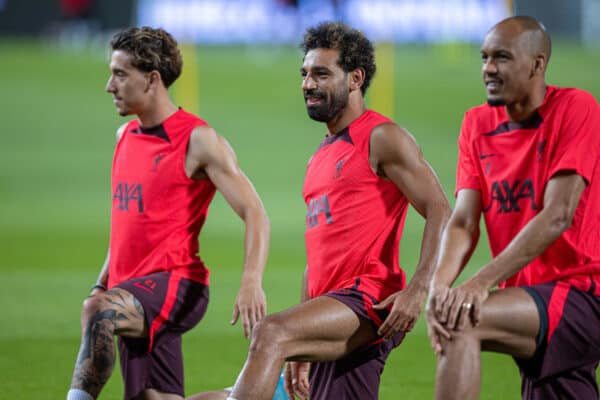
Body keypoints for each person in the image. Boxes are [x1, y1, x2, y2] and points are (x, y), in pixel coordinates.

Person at [225, 21, 450, 400]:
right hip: (332, 308)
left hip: (368, 300)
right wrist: (300, 345)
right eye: (304, 74)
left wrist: (418, 290)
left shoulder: (382, 137)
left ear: (355, 78)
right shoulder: (322, 154)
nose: (308, 84)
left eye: (321, 74)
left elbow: (441, 210)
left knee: (270, 332)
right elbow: (317, 256)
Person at [66, 27, 270, 400]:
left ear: (152, 80)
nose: (109, 86)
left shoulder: (198, 140)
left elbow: (254, 211)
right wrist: (102, 282)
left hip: (177, 283)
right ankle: (262, 395)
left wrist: (251, 280)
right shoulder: (124, 136)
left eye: (120, 74)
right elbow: (125, 228)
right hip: (131, 290)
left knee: (99, 312)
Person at [426, 16, 600, 400]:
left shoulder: (576, 108)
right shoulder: (476, 123)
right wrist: (437, 288)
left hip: (582, 293)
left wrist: (479, 282)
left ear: (538, 64)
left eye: (502, 57)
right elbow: (463, 222)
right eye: (484, 57)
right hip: (530, 297)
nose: (489, 68)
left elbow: (557, 215)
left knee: (463, 321)